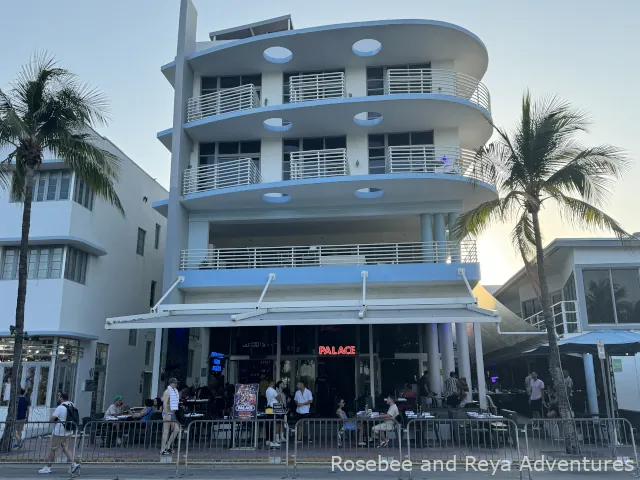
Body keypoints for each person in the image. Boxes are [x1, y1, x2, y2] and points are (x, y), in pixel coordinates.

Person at [39, 392, 80, 474]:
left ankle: (48, 467)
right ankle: (73, 464)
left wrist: (54, 420)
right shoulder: (71, 404)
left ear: (61, 398)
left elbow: (52, 419)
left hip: (59, 431)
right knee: (66, 448)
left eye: (59, 396)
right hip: (68, 430)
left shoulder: (60, 407)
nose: (58, 398)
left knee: (53, 449)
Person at [160, 378, 180, 455]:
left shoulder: (174, 392)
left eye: (176, 383)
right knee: (166, 431)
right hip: (167, 413)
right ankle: (162, 449)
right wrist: (167, 414)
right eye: (174, 383)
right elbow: (164, 403)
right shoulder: (167, 392)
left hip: (172, 413)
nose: (176, 385)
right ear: (170, 383)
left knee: (176, 429)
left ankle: (167, 446)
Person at [265, 380, 283, 447]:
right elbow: (278, 398)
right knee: (272, 424)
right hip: (273, 408)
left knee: (268, 424)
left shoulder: (267, 390)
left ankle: (268, 440)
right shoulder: (273, 390)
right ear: (272, 384)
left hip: (268, 407)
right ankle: (272, 441)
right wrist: (280, 394)